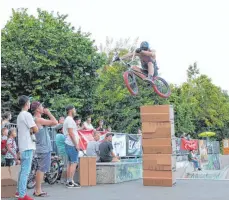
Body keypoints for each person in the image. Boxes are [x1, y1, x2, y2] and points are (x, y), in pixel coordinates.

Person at [30, 101, 58, 197]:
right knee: (41, 169)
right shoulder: (38, 119)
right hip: (43, 148)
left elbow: (53, 124)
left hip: (42, 147)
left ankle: (38, 189)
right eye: (41, 106)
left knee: (40, 169)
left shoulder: (37, 119)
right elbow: (55, 122)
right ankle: (38, 190)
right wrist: (49, 113)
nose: (43, 107)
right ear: (37, 109)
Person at [16, 95, 38, 200]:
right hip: (28, 146)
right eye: (29, 102)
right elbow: (36, 129)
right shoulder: (27, 115)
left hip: (23, 146)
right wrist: (34, 129)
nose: (30, 104)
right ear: (26, 104)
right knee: (25, 171)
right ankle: (22, 195)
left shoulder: (20, 115)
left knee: (22, 171)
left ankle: (19, 192)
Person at [63, 105, 81, 188]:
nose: (75, 110)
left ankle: (69, 180)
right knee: (74, 162)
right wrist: (76, 144)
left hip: (69, 143)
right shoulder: (70, 120)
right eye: (74, 109)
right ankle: (70, 181)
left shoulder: (68, 119)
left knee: (70, 163)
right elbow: (71, 133)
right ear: (70, 110)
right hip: (71, 144)